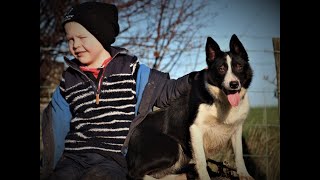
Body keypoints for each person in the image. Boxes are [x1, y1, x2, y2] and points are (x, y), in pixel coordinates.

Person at [40, 2, 191, 180]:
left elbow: (167, 91)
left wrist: (193, 79)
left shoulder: (129, 69)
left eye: (81, 37)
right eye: (70, 39)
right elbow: (59, 120)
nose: (75, 45)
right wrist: (52, 163)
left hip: (111, 158)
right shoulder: (70, 78)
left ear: (100, 35)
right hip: (73, 157)